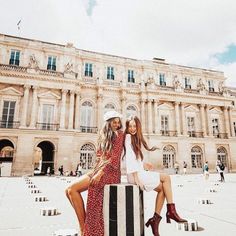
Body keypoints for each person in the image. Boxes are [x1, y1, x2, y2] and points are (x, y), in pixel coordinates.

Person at [124, 116, 187, 236]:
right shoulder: (128, 137)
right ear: (127, 127)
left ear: (138, 126)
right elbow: (130, 159)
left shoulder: (134, 139)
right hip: (135, 175)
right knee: (166, 178)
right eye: (130, 126)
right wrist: (137, 179)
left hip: (137, 172)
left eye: (134, 126)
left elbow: (134, 159)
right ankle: (171, 212)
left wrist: (143, 164)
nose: (132, 129)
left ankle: (155, 220)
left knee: (163, 189)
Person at [65, 111, 124, 236]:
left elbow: (115, 157)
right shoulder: (103, 135)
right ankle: (86, 228)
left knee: (72, 189)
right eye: (114, 122)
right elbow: (99, 155)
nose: (117, 125)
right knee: (68, 191)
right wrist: (95, 170)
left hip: (110, 172)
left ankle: (84, 230)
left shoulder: (120, 134)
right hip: (99, 169)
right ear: (108, 123)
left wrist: (100, 173)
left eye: (118, 122)